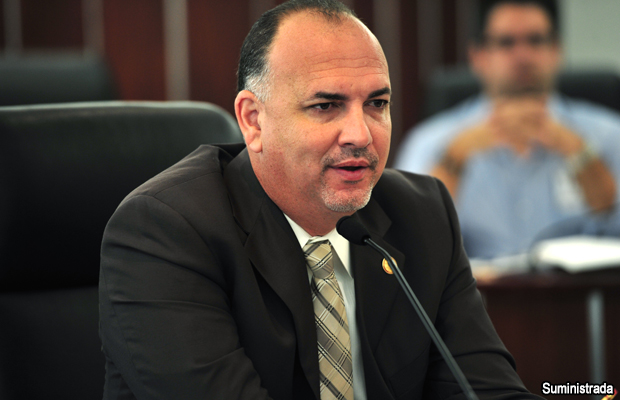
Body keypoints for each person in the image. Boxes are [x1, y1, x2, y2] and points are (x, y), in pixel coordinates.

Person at [99, 1, 541, 399]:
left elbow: (487, 388)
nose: (361, 135)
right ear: (253, 121)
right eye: (326, 106)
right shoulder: (166, 231)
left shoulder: (423, 214)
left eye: (377, 103)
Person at [395, 0, 620, 260]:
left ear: (557, 50)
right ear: (478, 56)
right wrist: (454, 160)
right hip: (476, 285)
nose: (522, 57)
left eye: (535, 40)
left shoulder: (608, 134)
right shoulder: (430, 142)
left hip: (576, 285)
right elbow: (408, 242)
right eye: (506, 43)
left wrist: (581, 154)